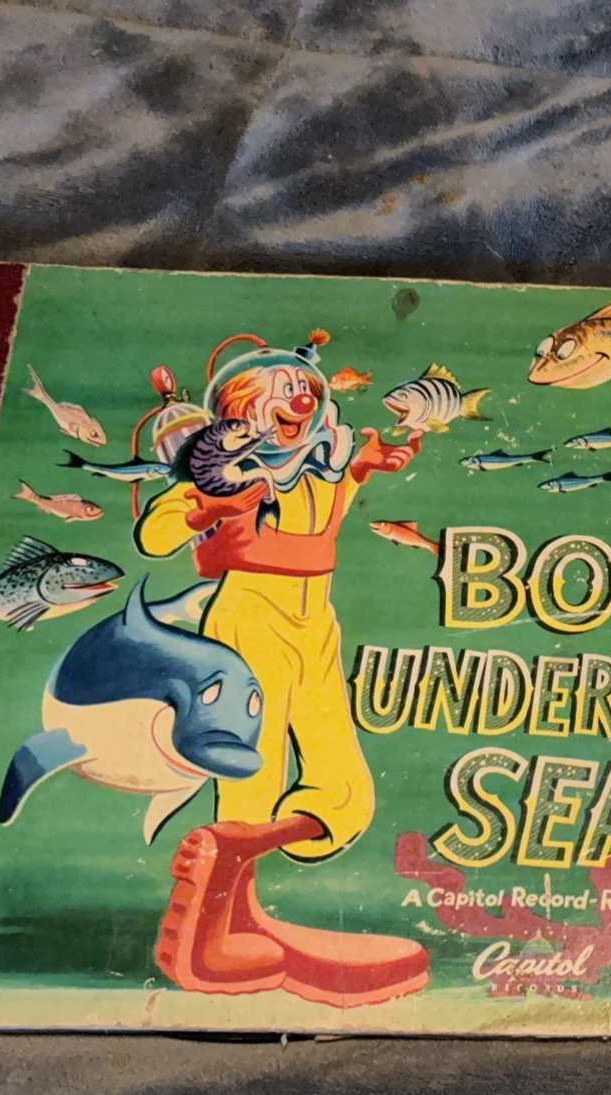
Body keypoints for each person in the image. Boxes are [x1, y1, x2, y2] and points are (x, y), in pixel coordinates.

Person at [134, 331, 428, 1006]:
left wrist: (364, 467)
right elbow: (153, 534)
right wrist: (201, 509)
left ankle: (228, 861)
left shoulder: (318, 469)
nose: (300, 401)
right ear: (239, 413)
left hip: (315, 625)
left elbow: (327, 511)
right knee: (253, 772)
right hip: (250, 619)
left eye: (306, 392)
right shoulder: (228, 474)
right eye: (281, 393)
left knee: (346, 790)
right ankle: (217, 930)